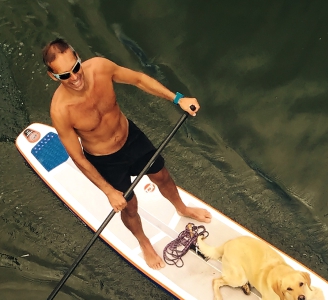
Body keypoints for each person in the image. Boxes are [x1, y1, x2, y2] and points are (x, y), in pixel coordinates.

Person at [43, 38, 211, 269]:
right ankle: (144, 242)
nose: (74, 77)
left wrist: (178, 98)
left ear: (79, 58)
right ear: (53, 77)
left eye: (75, 68)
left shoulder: (100, 67)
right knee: (129, 206)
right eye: (64, 75)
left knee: (162, 175)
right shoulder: (61, 111)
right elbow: (79, 158)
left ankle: (182, 208)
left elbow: (139, 80)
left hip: (130, 137)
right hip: (105, 160)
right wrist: (109, 191)